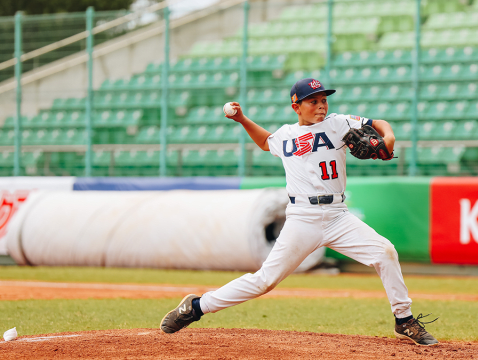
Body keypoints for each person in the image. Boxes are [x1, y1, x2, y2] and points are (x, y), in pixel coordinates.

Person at [160, 78, 438, 346]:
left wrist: (388, 137)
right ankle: (197, 307)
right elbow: (266, 142)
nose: (321, 106)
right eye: (313, 101)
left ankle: (404, 319)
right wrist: (242, 120)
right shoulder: (286, 135)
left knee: (385, 252)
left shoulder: (338, 123)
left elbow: (377, 123)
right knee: (265, 281)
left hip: (338, 215)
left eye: (324, 100)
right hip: (302, 218)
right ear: (296, 106)